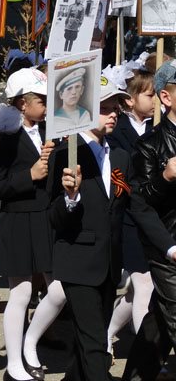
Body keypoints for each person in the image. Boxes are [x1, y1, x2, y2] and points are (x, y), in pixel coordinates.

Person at [48, 76, 174, 381]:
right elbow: (53, 217)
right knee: (96, 349)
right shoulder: (67, 154)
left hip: (108, 264)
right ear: (84, 111)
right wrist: (70, 198)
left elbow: (138, 207)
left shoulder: (118, 156)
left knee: (85, 347)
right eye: (104, 107)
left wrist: (169, 247)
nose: (113, 113)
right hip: (77, 264)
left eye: (115, 107)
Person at [0, 67, 66, 381]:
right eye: (41, 100)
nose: (47, 105)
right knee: (19, 294)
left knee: (59, 289)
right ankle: (14, 364)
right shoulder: (6, 137)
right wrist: (29, 176)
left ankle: (30, 342)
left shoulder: (51, 131)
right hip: (18, 220)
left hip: (46, 219)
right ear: (22, 103)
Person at [121, 62, 176, 380]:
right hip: (167, 246)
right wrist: (166, 178)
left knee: (158, 320)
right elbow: (141, 202)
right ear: (166, 97)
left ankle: (137, 374)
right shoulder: (149, 145)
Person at [105, 67, 156, 362]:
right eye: (148, 95)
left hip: (152, 217)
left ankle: (107, 332)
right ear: (130, 100)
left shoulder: (156, 129)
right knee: (144, 284)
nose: (155, 102)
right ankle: (146, 357)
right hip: (127, 219)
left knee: (137, 291)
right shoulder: (117, 130)